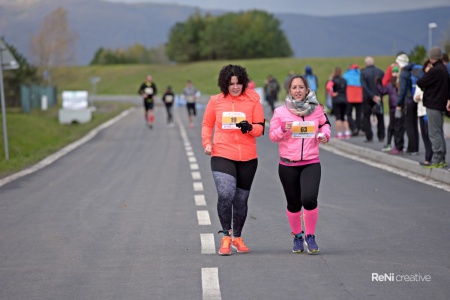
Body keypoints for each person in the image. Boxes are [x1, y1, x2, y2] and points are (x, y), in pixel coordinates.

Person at [201, 64, 265, 256]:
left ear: (244, 83)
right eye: (231, 84)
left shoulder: (253, 100)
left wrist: (249, 128)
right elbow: (207, 124)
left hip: (247, 157)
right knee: (226, 193)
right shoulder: (215, 101)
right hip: (222, 153)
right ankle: (225, 236)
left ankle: (237, 236)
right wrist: (207, 143)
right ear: (225, 84)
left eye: (238, 83)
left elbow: (260, 128)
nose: (235, 87)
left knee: (241, 199)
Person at [269, 75, 331, 254]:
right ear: (289, 90)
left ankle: (310, 236)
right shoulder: (280, 112)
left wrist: (324, 135)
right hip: (288, 164)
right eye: (294, 87)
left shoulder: (317, 109)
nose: (298, 90)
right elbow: (273, 135)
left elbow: (325, 125)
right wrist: (283, 129)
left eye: (301, 87)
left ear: (306, 90)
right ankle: (297, 236)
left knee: (309, 198)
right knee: (294, 203)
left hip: (311, 162)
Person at [417, 46, 450, 168]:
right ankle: (442, 158)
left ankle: (437, 159)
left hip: (433, 104)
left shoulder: (435, 70)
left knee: (434, 133)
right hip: (441, 105)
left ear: (431, 58)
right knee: (439, 132)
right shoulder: (444, 69)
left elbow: (420, 82)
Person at [394, 53, 419, 155]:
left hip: (408, 101)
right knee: (414, 124)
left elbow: (403, 90)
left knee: (409, 125)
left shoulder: (404, 73)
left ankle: (412, 148)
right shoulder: (412, 70)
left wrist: (399, 103)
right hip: (414, 100)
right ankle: (415, 147)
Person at [360, 56, 385, 142]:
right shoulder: (380, 72)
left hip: (367, 97)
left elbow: (364, 86)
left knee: (366, 117)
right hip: (378, 97)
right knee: (380, 117)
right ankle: (381, 135)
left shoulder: (363, 73)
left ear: (366, 63)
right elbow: (384, 85)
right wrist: (379, 96)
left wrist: (372, 96)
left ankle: (369, 136)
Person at [376, 66, 400, 152]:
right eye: (393, 72)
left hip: (399, 107)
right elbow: (383, 91)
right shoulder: (390, 84)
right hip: (392, 107)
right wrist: (378, 84)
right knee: (391, 127)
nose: (394, 74)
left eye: (396, 72)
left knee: (399, 127)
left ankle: (398, 145)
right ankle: (390, 143)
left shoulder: (400, 82)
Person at [413, 62, 433, 166]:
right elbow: (415, 96)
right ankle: (428, 156)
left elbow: (430, 95)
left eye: (431, 66)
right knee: (424, 136)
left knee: (430, 135)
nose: (428, 68)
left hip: (429, 111)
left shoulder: (433, 80)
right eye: (427, 66)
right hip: (420, 111)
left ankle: (429, 158)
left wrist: (420, 97)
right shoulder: (421, 80)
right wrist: (417, 97)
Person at [326, 67, 350, 138]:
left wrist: (332, 93)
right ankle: (347, 132)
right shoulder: (344, 80)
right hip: (344, 99)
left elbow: (328, 87)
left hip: (336, 99)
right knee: (344, 118)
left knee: (338, 118)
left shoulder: (333, 80)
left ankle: (339, 133)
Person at [343, 64, 363, 136]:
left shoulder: (346, 75)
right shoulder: (360, 74)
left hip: (349, 98)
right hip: (359, 98)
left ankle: (354, 128)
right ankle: (358, 128)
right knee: (359, 114)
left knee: (348, 114)